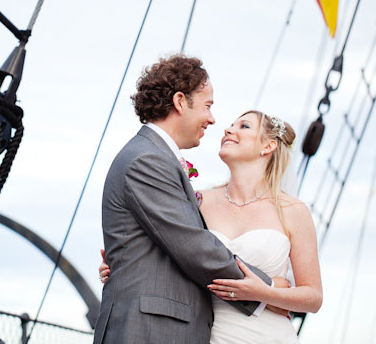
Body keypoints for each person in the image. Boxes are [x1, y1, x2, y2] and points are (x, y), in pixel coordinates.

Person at [93, 55, 276, 344]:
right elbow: (193, 246)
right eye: (207, 106)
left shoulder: (152, 156)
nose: (213, 119)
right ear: (180, 102)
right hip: (149, 331)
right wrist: (268, 291)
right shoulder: (147, 160)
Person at [99, 110, 323, 343]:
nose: (228, 130)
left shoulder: (293, 211)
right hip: (206, 334)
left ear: (267, 147)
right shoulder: (198, 202)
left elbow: (313, 297)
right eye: (231, 125)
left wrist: (265, 292)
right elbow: (178, 249)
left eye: (243, 126)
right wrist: (124, 263)